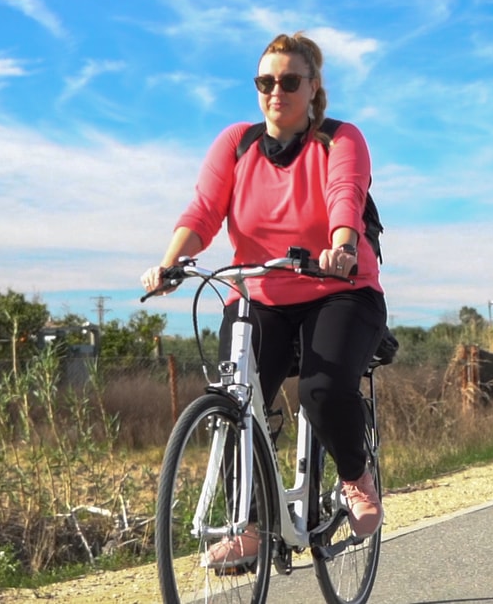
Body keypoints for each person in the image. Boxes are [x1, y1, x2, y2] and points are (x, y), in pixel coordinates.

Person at [141, 31, 387, 566]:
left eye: (290, 80)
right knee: (237, 399)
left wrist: (342, 246)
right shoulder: (237, 142)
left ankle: (354, 476)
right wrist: (170, 262)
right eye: (266, 81)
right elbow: (205, 209)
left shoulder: (340, 139)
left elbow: (345, 194)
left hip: (338, 288)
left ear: (314, 86)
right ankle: (248, 525)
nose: (277, 90)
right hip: (257, 293)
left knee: (322, 389)